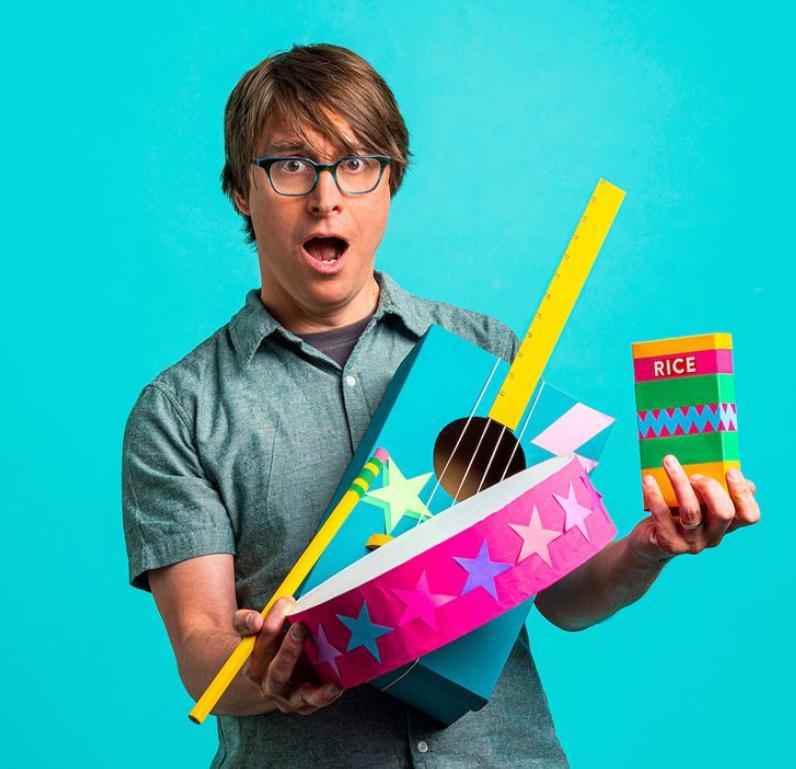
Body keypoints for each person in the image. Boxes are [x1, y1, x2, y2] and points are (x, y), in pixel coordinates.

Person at [122, 43, 761, 769]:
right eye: (291, 164)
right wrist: (266, 672)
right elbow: (204, 649)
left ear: (390, 181)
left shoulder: (488, 352)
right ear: (241, 187)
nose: (326, 195)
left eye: (356, 163)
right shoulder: (180, 410)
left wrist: (646, 550)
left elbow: (560, 595)